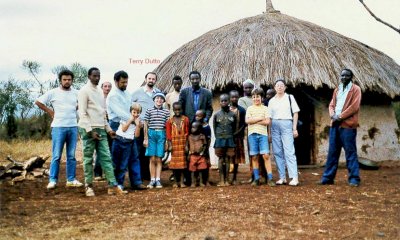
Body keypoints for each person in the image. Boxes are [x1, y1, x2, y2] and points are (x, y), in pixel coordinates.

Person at [78, 67, 127, 196]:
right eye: (94, 76)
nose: (97, 78)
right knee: (88, 158)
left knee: (106, 157)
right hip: (88, 129)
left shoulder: (100, 92)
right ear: (89, 76)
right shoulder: (84, 91)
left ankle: (112, 185)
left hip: (101, 128)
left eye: (98, 76)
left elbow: (102, 113)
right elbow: (82, 113)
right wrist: (89, 131)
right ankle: (88, 186)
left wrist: (109, 129)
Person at [35, 69, 83, 190]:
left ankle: (71, 179)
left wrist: (75, 108)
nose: (67, 81)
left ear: (72, 80)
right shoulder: (53, 92)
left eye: (69, 79)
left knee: (71, 156)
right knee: (56, 155)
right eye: (65, 79)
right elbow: (38, 102)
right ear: (60, 80)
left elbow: (82, 103)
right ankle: (52, 180)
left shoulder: (77, 93)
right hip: (58, 127)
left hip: (73, 126)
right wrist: (50, 111)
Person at [319, 69, 362, 187]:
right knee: (332, 152)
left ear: (351, 77)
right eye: (342, 75)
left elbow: (354, 107)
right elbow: (332, 104)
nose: (344, 77)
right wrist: (332, 115)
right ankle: (328, 178)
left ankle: (354, 178)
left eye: (347, 76)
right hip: (335, 124)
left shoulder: (356, 89)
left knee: (350, 151)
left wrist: (341, 116)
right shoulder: (337, 89)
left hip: (347, 125)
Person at [106, 71, 147, 190]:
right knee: (118, 158)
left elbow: (132, 109)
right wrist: (134, 120)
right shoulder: (113, 95)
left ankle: (136, 182)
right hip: (117, 126)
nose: (125, 84)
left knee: (134, 155)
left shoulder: (127, 93)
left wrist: (138, 120)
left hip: (130, 126)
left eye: (126, 82)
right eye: (123, 82)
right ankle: (117, 183)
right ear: (116, 81)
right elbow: (120, 113)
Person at [268, 79, 300, 186]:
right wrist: (269, 133)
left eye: (282, 85)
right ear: (275, 88)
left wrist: (294, 128)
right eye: (277, 85)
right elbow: (269, 118)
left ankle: (294, 177)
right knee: (277, 152)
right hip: (275, 126)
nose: (280, 87)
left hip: (287, 124)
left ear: (285, 87)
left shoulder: (290, 98)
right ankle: (282, 177)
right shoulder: (271, 101)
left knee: (289, 151)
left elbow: (295, 113)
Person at [132, 72, 161, 181]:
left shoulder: (158, 93)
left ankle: (147, 175)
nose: (151, 80)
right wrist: (135, 120)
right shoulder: (137, 92)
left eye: (153, 79)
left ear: (155, 81)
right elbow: (130, 105)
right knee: (139, 150)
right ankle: (138, 176)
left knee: (150, 151)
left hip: (153, 126)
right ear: (145, 79)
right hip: (141, 125)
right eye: (149, 78)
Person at [246, 88, 276, 187]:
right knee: (254, 157)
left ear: (261, 97)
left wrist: (253, 120)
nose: (256, 99)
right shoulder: (249, 109)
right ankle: (256, 179)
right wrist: (260, 119)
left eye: (258, 96)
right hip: (252, 135)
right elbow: (247, 121)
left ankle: (270, 178)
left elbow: (267, 122)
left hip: (263, 135)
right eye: (254, 97)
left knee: (266, 156)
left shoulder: (265, 108)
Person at [112, 103, 142, 191]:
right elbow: (124, 129)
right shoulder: (125, 118)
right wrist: (130, 120)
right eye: (134, 112)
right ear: (130, 112)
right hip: (118, 140)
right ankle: (113, 182)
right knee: (115, 162)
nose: (135, 115)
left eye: (138, 113)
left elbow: (136, 135)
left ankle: (120, 183)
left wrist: (137, 125)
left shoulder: (138, 122)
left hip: (128, 143)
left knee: (123, 164)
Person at [143, 92, 170, 189]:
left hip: (161, 134)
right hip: (151, 133)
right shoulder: (149, 110)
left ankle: (158, 179)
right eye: (157, 98)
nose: (159, 100)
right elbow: (146, 124)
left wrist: (167, 140)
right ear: (154, 99)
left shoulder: (166, 112)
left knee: (158, 158)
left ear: (163, 101)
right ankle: (152, 179)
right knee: (152, 158)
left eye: (161, 98)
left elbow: (167, 126)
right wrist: (145, 138)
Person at [213, 94, 237, 187]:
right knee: (220, 158)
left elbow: (234, 127)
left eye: (225, 100)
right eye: (222, 101)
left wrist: (230, 136)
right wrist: (219, 137)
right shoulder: (216, 115)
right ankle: (221, 180)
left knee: (227, 159)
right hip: (219, 139)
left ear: (229, 102)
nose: (224, 102)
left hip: (229, 139)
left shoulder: (233, 115)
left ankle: (227, 180)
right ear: (219, 102)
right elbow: (215, 128)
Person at [166, 102, 190, 188]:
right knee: (175, 165)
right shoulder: (170, 121)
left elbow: (187, 133)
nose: (177, 111)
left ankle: (182, 182)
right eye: (175, 110)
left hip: (183, 143)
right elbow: (168, 135)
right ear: (173, 110)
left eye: (179, 109)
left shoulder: (186, 119)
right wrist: (170, 145)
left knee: (183, 165)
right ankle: (176, 182)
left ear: (182, 109)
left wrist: (187, 145)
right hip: (174, 144)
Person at [94, 81, 112, 180]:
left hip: (111, 122)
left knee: (108, 149)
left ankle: (107, 172)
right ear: (102, 87)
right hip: (100, 123)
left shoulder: (112, 98)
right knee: (100, 149)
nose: (107, 88)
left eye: (109, 86)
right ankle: (98, 173)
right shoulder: (98, 98)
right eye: (105, 86)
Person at [229, 90, 246, 185]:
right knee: (227, 157)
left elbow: (244, 124)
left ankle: (234, 178)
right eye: (232, 97)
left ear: (238, 98)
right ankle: (226, 177)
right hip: (227, 137)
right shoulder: (226, 109)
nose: (234, 99)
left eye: (236, 97)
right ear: (229, 98)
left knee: (236, 159)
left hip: (237, 137)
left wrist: (236, 133)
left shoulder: (242, 110)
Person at [186, 121, 208, 187]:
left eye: (194, 128)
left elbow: (205, 145)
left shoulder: (202, 136)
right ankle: (193, 182)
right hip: (192, 155)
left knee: (201, 169)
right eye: (192, 127)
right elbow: (187, 145)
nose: (192, 129)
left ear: (199, 129)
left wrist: (202, 152)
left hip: (200, 155)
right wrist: (188, 152)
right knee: (192, 170)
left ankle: (201, 182)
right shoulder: (189, 136)